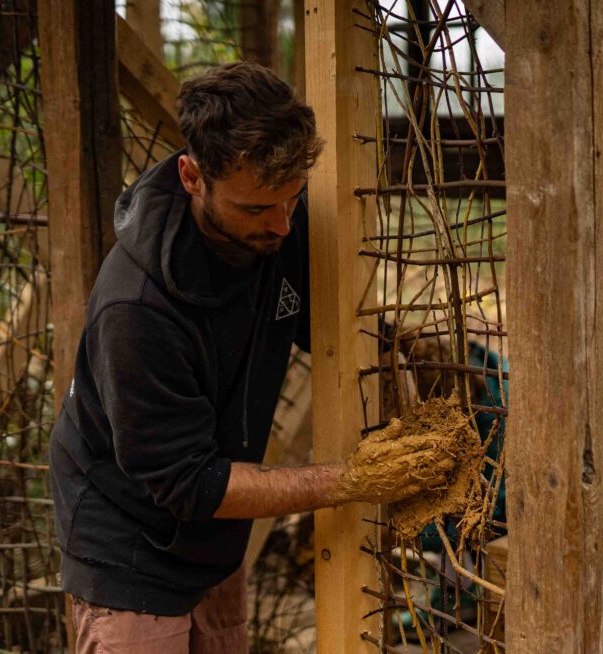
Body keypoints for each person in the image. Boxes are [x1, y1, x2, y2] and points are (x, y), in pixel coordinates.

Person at [48, 62, 455, 654]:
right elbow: (190, 482)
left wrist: (397, 345)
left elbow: (325, 327)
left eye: (292, 201)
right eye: (256, 210)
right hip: (128, 544)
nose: (282, 225)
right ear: (192, 177)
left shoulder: (277, 217)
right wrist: (353, 481)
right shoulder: (135, 311)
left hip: (214, 541)